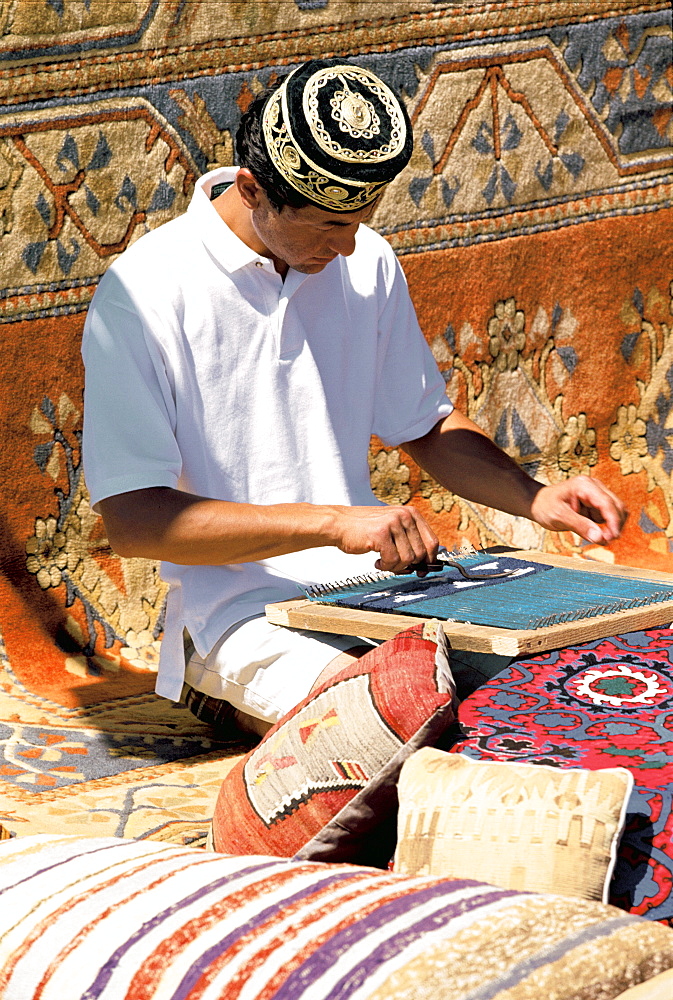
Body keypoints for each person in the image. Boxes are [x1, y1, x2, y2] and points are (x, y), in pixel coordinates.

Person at [82, 59, 626, 737]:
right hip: (238, 616)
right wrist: (335, 524)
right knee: (401, 723)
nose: (344, 249)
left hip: (382, 597)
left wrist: (535, 497)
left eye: (357, 224)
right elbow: (135, 522)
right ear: (252, 188)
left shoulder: (364, 258)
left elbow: (423, 424)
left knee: (587, 682)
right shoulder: (142, 294)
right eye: (323, 229)